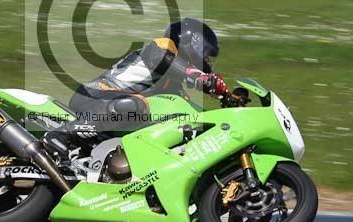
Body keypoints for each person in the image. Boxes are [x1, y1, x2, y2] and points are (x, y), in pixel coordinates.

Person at [43, 18, 227, 158]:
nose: (207, 62)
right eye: (206, 54)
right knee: (136, 105)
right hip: (94, 96)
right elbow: (163, 61)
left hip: (110, 112)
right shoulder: (162, 47)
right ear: (192, 43)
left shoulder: (173, 88)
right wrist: (199, 77)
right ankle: (61, 134)